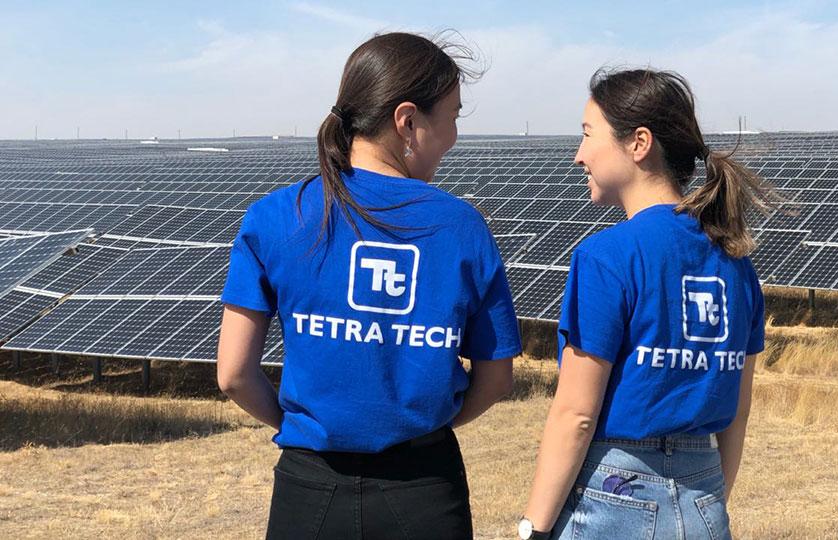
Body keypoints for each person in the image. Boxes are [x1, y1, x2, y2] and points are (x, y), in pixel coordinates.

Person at [216, 31, 521, 540]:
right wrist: (425, 423)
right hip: (425, 488)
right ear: (407, 121)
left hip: (308, 490)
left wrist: (306, 431)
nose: (453, 137)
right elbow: (497, 380)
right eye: (452, 117)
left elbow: (233, 375)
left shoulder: (274, 218)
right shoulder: (462, 227)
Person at [518, 68, 774, 540]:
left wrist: (533, 527)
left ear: (638, 143)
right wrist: (710, 495)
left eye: (587, 135)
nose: (578, 156)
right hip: (705, 494)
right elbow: (737, 409)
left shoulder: (606, 257)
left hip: (613, 496)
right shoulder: (737, 264)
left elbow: (576, 414)